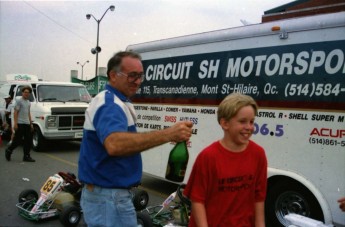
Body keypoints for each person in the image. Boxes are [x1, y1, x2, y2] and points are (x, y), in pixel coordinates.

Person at [78, 51, 193, 227]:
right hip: (108, 198)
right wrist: (168, 134)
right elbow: (115, 144)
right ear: (113, 75)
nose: (138, 81)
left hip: (108, 196)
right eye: (132, 75)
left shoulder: (119, 101)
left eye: (140, 76)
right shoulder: (110, 105)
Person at [183, 93, 267, 227]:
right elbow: (198, 201)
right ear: (225, 123)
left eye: (251, 121)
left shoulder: (258, 154)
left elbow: (259, 197)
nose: (249, 127)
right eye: (242, 121)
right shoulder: (208, 157)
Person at [5, 86, 35, 162]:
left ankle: (26, 156)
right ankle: (9, 150)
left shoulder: (28, 102)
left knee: (28, 141)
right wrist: (15, 124)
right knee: (17, 140)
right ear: (22, 93)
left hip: (27, 123)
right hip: (20, 123)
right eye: (25, 92)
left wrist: (31, 124)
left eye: (28, 93)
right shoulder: (19, 101)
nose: (26, 94)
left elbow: (28, 113)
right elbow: (15, 112)